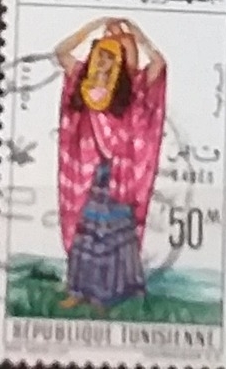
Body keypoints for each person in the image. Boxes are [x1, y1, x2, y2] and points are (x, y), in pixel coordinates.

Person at [50, 16, 168, 311]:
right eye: (103, 51)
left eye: (118, 52)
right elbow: (61, 51)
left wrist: (137, 32)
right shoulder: (82, 80)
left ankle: (110, 294)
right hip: (88, 174)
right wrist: (95, 25)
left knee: (114, 235)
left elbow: (158, 62)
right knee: (86, 232)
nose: (106, 60)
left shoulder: (135, 88)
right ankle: (79, 290)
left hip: (118, 175)